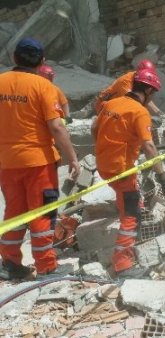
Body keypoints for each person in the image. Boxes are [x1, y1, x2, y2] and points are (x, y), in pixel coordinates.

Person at [0, 38, 80, 280]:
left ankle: (10, 263)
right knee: (43, 213)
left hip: (6, 163)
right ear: (42, 61)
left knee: (14, 213)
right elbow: (56, 126)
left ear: (14, 58)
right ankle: (47, 268)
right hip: (39, 163)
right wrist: (73, 159)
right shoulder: (44, 87)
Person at [91, 68, 165, 278]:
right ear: (146, 90)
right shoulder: (139, 112)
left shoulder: (111, 104)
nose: (152, 98)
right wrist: (162, 176)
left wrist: (103, 148)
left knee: (130, 202)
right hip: (122, 170)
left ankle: (137, 234)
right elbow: (149, 147)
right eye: (152, 93)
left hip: (105, 165)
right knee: (131, 215)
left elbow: (94, 128)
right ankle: (123, 264)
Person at [95, 59, 163, 118]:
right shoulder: (126, 82)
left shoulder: (139, 79)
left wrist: (160, 113)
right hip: (103, 108)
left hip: (116, 106)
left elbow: (146, 98)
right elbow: (131, 104)